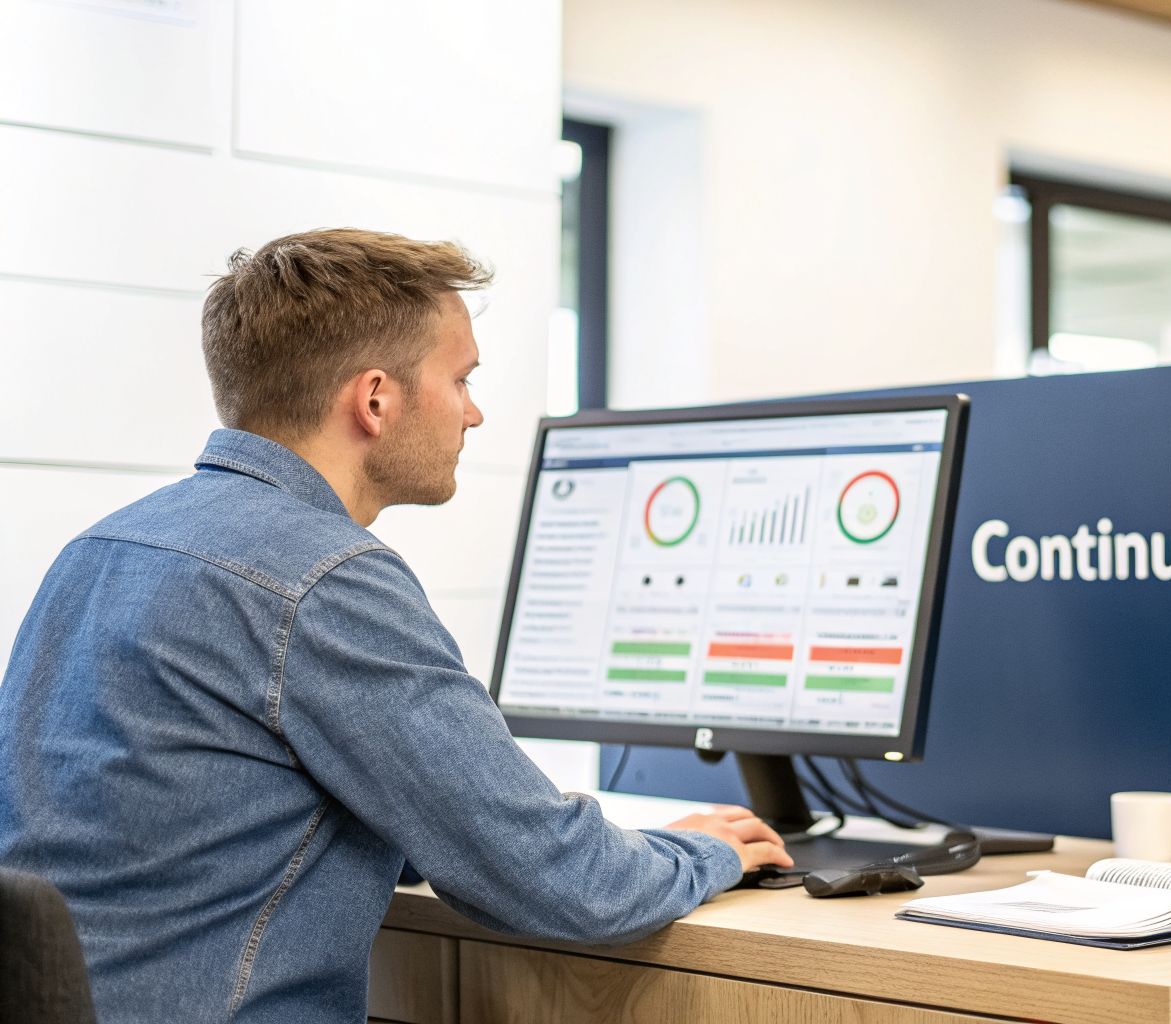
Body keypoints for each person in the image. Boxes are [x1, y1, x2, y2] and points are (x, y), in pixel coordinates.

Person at [0, 229, 792, 1023]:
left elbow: (184, 815)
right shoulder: (323, 579)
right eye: (461, 378)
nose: (474, 412)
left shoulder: (101, 548)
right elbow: (564, 884)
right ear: (375, 399)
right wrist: (705, 852)